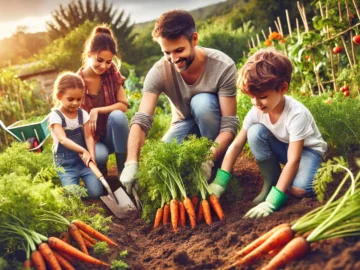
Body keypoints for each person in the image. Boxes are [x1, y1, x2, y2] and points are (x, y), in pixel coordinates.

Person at [119, 10, 239, 194]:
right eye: (167, 52)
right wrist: (131, 162)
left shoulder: (223, 66)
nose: (174, 59)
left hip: (212, 124)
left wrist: (208, 159)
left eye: (179, 50)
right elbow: (141, 119)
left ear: (195, 39)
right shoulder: (159, 72)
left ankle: (216, 165)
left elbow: (229, 126)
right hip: (183, 123)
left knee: (203, 103)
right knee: (161, 162)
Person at [210, 48, 327, 218]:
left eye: (262, 96)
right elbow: (236, 145)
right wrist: (220, 183)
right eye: (252, 97)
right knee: (254, 131)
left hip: (308, 151)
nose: (256, 102)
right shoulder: (256, 111)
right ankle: (272, 181)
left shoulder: (296, 114)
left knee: (299, 189)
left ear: (283, 88)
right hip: (285, 148)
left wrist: (273, 201)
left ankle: (304, 174)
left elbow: (294, 160)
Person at [77, 25, 129, 178]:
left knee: (118, 117)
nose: (104, 66)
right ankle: (101, 168)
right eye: (99, 60)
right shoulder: (77, 82)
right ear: (89, 54)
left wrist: (97, 110)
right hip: (92, 139)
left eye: (108, 61)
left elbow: (123, 105)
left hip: (111, 135)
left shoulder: (110, 72)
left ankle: (124, 172)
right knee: (100, 156)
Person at [49, 72, 103, 197]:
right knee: (76, 196)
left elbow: (89, 136)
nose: (75, 103)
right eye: (70, 99)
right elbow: (62, 139)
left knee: (96, 193)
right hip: (66, 165)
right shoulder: (55, 116)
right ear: (59, 96)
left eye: (79, 99)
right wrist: (83, 150)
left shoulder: (82, 114)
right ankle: (72, 187)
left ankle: (88, 183)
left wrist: (92, 156)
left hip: (83, 163)